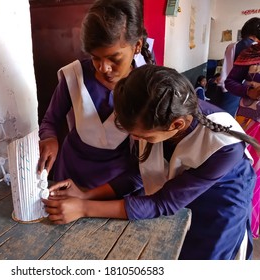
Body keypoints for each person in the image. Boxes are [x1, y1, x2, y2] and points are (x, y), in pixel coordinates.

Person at [43, 64, 259, 260]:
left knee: (206, 256)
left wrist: (84, 208)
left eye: (144, 137)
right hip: (183, 192)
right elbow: (139, 173)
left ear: (176, 125)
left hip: (220, 203)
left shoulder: (223, 147)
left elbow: (163, 203)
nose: (137, 141)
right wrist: (86, 194)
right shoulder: (154, 114)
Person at [38, 0, 154, 194]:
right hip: (70, 172)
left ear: (137, 46)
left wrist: (87, 199)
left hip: (118, 181)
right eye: (95, 58)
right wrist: (49, 138)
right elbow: (50, 120)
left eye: (114, 59)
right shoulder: (74, 76)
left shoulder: (148, 87)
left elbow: (145, 163)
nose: (103, 68)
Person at [225, 41, 260, 240]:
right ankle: (246, 223)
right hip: (250, 122)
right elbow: (230, 82)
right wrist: (248, 91)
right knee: (250, 171)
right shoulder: (250, 54)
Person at [219, 17, 260, 116]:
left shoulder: (231, 45)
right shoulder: (253, 48)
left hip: (227, 86)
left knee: (226, 118)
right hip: (241, 89)